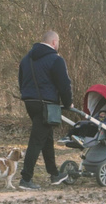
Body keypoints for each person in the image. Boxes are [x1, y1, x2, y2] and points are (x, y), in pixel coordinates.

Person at [18, 30, 73, 190]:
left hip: (30, 101)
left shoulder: (26, 59)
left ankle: (54, 174)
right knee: (36, 141)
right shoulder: (56, 60)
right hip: (46, 103)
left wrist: (27, 95)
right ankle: (25, 178)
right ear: (54, 42)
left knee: (46, 138)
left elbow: (21, 80)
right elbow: (64, 84)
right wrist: (68, 103)